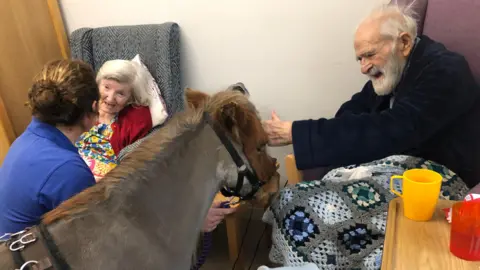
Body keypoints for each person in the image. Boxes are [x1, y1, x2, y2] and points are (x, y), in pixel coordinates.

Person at [263, 4, 480, 189]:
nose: (363, 68)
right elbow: (353, 110)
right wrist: (306, 135)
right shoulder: (395, 69)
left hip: (440, 183)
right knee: (295, 200)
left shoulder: (445, 71)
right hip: (397, 172)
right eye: (360, 59)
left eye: (369, 55)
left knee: (299, 209)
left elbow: (393, 129)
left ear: (403, 43)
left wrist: (297, 133)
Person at [76, 59, 236, 232]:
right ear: (97, 84)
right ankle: (196, 216)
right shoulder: (80, 111)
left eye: (120, 93)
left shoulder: (134, 118)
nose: (110, 98)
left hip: (108, 184)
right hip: (76, 173)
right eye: (106, 87)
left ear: (130, 98)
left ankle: (196, 215)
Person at [0, 60, 99, 235]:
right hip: (23, 258)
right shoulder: (68, 170)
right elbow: (90, 237)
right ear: (93, 108)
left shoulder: (25, 141)